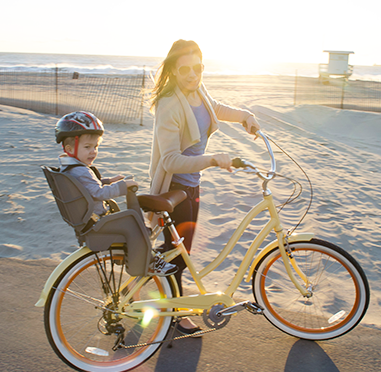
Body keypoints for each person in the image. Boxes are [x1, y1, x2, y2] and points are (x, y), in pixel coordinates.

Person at [149, 40, 260, 334]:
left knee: (174, 252)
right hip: (174, 189)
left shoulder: (198, 89)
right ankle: (173, 313)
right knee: (177, 254)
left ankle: (142, 290)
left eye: (197, 67)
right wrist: (211, 159)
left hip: (191, 185)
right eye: (184, 68)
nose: (191, 74)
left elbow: (216, 108)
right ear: (173, 69)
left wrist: (245, 116)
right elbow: (171, 160)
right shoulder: (169, 103)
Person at [55, 110, 178, 277]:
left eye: (95, 146)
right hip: (97, 222)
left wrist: (108, 180)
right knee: (135, 222)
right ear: (69, 149)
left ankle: (131, 254)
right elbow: (98, 193)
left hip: (89, 220)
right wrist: (122, 186)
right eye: (87, 147)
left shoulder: (71, 168)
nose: (93, 152)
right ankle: (149, 263)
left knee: (130, 220)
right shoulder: (81, 171)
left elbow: (86, 188)